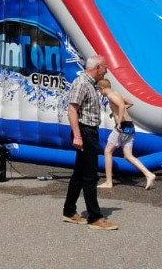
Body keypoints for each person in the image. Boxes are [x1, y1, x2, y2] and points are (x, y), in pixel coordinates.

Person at [62, 54, 118, 230]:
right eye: (105, 68)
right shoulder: (81, 83)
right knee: (90, 175)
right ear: (97, 68)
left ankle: (69, 211)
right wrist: (78, 136)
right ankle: (95, 218)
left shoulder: (91, 85)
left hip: (90, 131)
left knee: (79, 173)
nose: (106, 71)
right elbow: (72, 110)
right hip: (85, 132)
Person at [97, 78, 156, 190]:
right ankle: (149, 174)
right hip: (130, 126)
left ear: (102, 88)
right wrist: (115, 113)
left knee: (107, 151)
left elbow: (122, 106)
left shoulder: (110, 95)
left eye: (100, 91)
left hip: (122, 127)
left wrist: (118, 121)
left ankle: (109, 182)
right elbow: (129, 103)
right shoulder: (117, 93)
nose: (100, 93)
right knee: (128, 156)